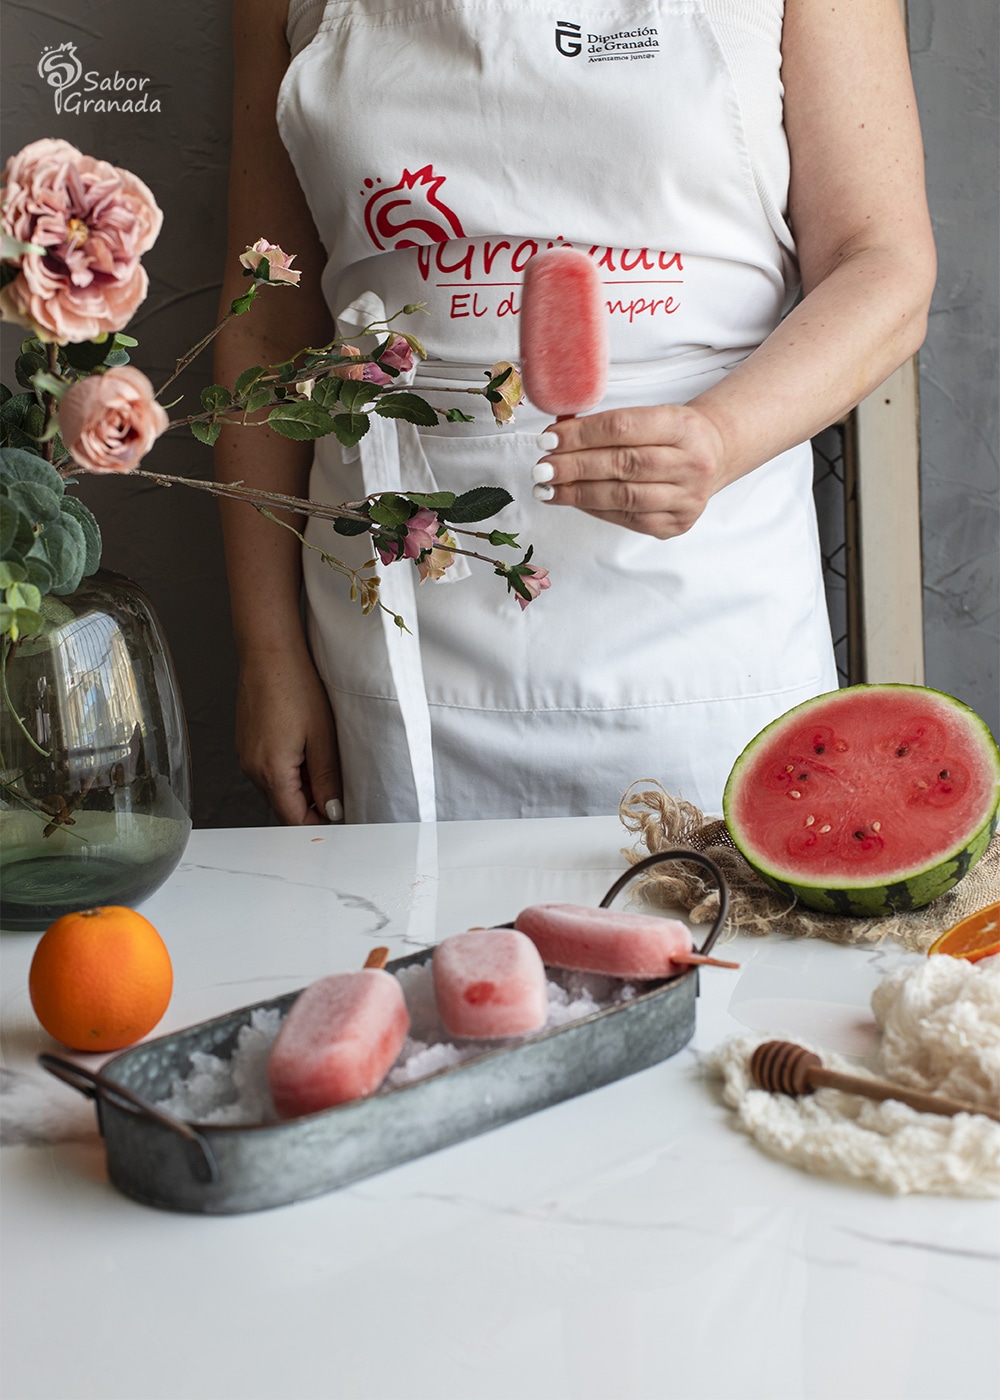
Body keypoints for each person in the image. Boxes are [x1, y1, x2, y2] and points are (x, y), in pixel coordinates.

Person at [214, 0, 936, 826]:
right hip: (398, 627)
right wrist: (268, 653)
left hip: (710, 613)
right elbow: (266, 331)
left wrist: (722, 436)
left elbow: (880, 262)